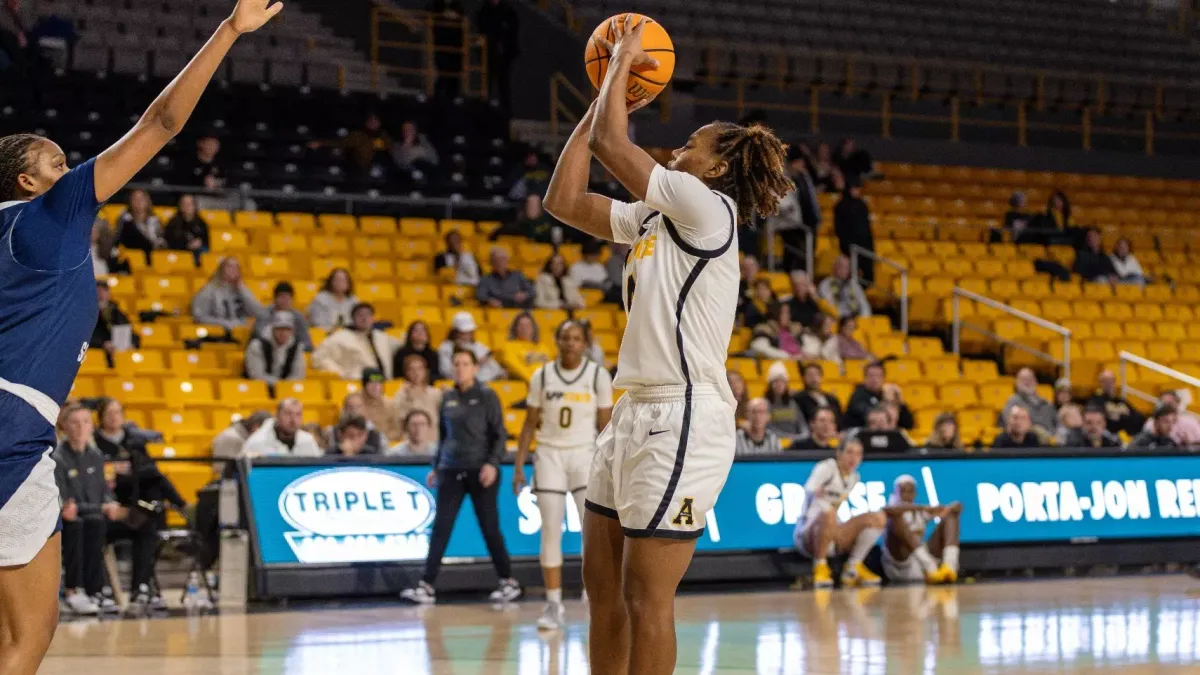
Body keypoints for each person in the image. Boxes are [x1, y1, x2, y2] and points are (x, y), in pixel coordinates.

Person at [0, 1, 281, 668]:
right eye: (58, 161)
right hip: (13, 433)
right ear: (27, 180)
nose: (71, 170)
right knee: (28, 635)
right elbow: (162, 122)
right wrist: (228, 31)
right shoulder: (53, 209)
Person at [541, 15, 793, 674]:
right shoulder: (659, 214)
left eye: (696, 141)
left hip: (685, 413)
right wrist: (603, 98)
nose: (683, 145)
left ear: (721, 165)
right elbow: (563, 199)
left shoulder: (709, 209)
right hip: (632, 412)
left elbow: (609, 143)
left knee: (645, 597)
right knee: (602, 592)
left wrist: (621, 66)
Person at [512, 320, 614, 630]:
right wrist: (518, 465)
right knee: (550, 532)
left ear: (585, 343)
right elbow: (529, 424)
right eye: (565, 338)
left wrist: (610, 466)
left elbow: (607, 428)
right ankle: (553, 604)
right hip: (549, 456)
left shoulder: (597, 376)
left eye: (576, 338)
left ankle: (594, 595)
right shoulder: (541, 376)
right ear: (556, 341)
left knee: (592, 534)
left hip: (584, 455)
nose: (570, 343)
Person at [400, 348, 521, 605]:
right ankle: (427, 585)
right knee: (441, 528)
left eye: (465, 364)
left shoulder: (487, 396)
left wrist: (492, 464)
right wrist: (436, 465)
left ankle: (508, 581)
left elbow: (500, 435)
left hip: (481, 471)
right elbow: (444, 437)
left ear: (475, 368)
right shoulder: (448, 397)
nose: (460, 368)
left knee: (490, 528)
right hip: (450, 469)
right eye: (456, 364)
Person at [90, 400, 176, 613]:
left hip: (129, 507)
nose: (114, 417)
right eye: (109, 413)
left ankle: (141, 587)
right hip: (101, 507)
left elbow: (151, 473)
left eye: (118, 412)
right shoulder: (93, 443)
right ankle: (100, 589)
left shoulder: (134, 441)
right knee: (94, 528)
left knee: (146, 527)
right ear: (100, 417)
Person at [52, 405, 123, 617]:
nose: (81, 427)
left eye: (86, 422)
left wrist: (111, 503)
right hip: (69, 520)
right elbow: (65, 505)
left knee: (136, 525)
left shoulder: (97, 456)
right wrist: (101, 507)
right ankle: (74, 589)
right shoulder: (58, 459)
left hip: (96, 516)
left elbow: (105, 491)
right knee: (79, 524)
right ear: (64, 426)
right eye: (75, 422)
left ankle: (98, 591)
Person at [793, 438, 885, 588]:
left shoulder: (855, 477)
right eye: (849, 452)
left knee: (878, 518)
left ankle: (853, 567)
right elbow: (809, 488)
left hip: (831, 532)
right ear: (839, 454)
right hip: (807, 533)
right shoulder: (827, 468)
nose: (853, 458)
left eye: (858, 454)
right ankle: (820, 566)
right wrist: (816, 493)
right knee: (828, 513)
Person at [882, 475, 961, 585]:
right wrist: (924, 508)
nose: (906, 495)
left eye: (910, 491)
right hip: (901, 563)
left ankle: (950, 566)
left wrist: (951, 508)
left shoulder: (920, 512)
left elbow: (958, 507)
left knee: (951, 516)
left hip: (922, 559)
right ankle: (928, 565)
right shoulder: (890, 507)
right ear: (896, 492)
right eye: (903, 491)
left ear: (915, 493)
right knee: (895, 518)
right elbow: (891, 511)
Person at [311, 302, 402, 380]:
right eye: (360, 315)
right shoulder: (340, 337)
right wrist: (341, 374)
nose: (364, 318)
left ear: (373, 318)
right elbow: (319, 358)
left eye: (368, 315)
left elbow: (403, 348)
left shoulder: (382, 337)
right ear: (353, 319)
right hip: (357, 382)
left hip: (384, 383)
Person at [191, 256, 267, 331]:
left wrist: (242, 289)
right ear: (221, 270)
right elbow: (199, 317)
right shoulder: (209, 290)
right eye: (229, 266)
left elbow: (260, 313)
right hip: (217, 333)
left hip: (241, 332)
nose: (233, 270)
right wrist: (226, 324)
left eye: (236, 267)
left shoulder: (242, 290)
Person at [243, 312, 306, 395]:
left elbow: (298, 375)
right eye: (279, 329)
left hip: (286, 391)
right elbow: (257, 375)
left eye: (287, 329)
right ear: (273, 329)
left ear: (292, 331)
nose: (283, 333)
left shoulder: (297, 347)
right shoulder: (257, 345)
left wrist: (284, 387)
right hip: (259, 390)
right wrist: (279, 384)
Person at [476, 0, 519, 113]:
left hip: (504, 55)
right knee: (487, 83)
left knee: (504, 84)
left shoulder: (508, 11)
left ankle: (506, 111)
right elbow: (482, 30)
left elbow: (512, 32)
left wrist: (506, 48)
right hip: (488, 54)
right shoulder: (484, 11)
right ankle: (484, 110)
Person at [437, 311, 505, 382]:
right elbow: (446, 372)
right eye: (464, 332)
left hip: (489, 383)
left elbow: (494, 366)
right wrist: (475, 365)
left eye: (470, 331)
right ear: (455, 331)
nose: (468, 334)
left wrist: (500, 373)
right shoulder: (446, 347)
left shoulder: (479, 346)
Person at [242, 398, 322, 458]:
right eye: (288, 413)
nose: (293, 420)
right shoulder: (257, 441)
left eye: (298, 414)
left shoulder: (308, 440)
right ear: (277, 415)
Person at [846, 362, 914, 430]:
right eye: (871, 376)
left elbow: (909, 424)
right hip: (861, 434)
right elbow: (873, 418)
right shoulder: (858, 395)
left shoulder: (886, 394)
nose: (875, 379)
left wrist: (900, 402)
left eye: (878, 376)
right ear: (864, 378)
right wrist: (887, 401)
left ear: (884, 378)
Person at [832, 179, 874, 285]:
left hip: (865, 246)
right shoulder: (841, 206)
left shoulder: (862, 205)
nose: (857, 191)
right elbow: (839, 229)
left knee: (866, 274)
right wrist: (847, 245)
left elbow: (867, 227)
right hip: (849, 248)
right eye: (854, 188)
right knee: (849, 273)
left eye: (858, 188)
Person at [394, 353, 443, 443]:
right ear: (406, 372)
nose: (416, 373)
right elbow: (400, 421)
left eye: (420, 369)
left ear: (425, 371)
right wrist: (410, 398)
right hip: (411, 441)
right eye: (412, 369)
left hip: (433, 440)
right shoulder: (401, 394)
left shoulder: (435, 393)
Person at [254, 281, 312, 351]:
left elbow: (307, 343)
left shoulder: (298, 317)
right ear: (275, 299)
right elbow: (260, 336)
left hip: (290, 353)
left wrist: (291, 349)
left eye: (288, 298)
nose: (285, 301)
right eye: (282, 297)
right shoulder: (264, 314)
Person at [1088, 369, 1146, 437]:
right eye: (1105, 381)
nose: (1109, 384)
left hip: (1127, 435)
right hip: (1107, 437)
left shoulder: (1121, 401)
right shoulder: (1095, 400)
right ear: (1100, 383)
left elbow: (1139, 417)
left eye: (1112, 381)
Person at [1000, 368, 1057, 435]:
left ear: (1036, 382)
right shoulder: (1012, 401)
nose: (1027, 382)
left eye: (1030, 379)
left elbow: (1057, 424)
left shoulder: (1047, 404)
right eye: (1024, 379)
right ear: (1017, 382)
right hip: (1026, 441)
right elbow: (1010, 424)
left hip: (1049, 442)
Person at [763, 361, 809, 441]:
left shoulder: (792, 403)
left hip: (795, 442)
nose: (779, 384)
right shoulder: (765, 404)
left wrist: (803, 435)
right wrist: (789, 438)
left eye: (782, 381)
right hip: (775, 442)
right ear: (770, 385)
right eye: (775, 381)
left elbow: (801, 423)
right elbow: (769, 428)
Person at [115, 188, 164, 263]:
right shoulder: (125, 220)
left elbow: (160, 239)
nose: (139, 202)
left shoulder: (155, 220)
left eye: (141, 199)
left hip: (153, 254)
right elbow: (118, 239)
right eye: (135, 199)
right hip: (132, 255)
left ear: (147, 201)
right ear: (130, 201)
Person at [91, 280, 132, 365]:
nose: (100, 295)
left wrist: (131, 343)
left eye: (103, 291)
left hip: (119, 355)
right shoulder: (88, 315)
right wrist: (103, 344)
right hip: (98, 356)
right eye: (98, 291)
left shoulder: (118, 313)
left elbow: (130, 332)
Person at [360, 367, 404, 445]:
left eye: (379, 383)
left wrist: (382, 440)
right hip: (360, 444)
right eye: (371, 382)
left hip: (384, 445)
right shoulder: (355, 403)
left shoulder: (390, 404)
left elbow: (397, 430)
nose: (376, 386)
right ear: (364, 385)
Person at [392, 320, 442, 385]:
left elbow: (436, 375)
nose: (420, 333)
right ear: (410, 334)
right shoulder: (401, 353)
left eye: (423, 330)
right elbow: (398, 376)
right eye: (416, 330)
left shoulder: (433, 354)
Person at [161, 193, 209, 259]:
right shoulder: (173, 223)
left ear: (195, 206)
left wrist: (199, 243)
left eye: (189, 204)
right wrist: (186, 246)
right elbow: (169, 242)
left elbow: (206, 242)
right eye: (184, 204)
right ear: (180, 206)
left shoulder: (201, 223)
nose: (187, 207)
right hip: (179, 254)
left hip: (196, 253)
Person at [795, 362, 843, 427]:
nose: (813, 378)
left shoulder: (832, 399)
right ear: (804, 378)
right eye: (809, 375)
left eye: (816, 374)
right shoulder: (798, 398)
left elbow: (841, 420)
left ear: (821, 377)